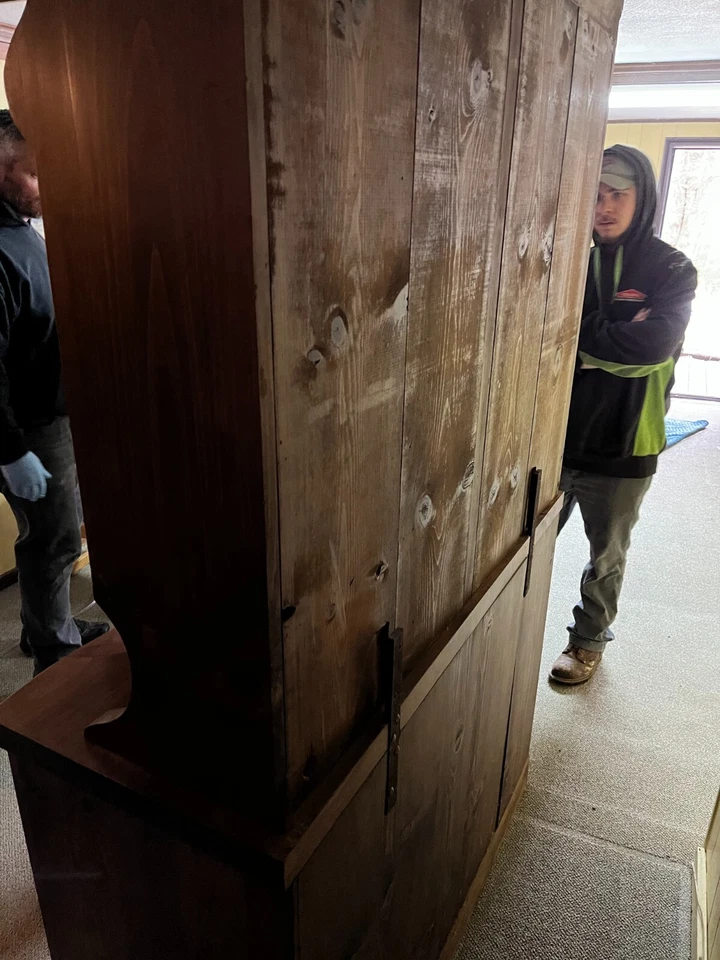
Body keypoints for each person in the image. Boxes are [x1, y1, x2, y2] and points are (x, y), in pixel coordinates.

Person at [550, 144, 697, 685]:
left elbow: (651, 348)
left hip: (628, 438)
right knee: (525, 545)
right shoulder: (569, 259)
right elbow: (545, 337)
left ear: (643, 198)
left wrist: (580, 339)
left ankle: (586, 642)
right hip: (557, 432)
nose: (605, 207)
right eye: (595, 195)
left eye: (618, 194)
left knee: (606, 555)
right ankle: (509, 635)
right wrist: (610, 335)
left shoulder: (672, 268)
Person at [0, 109, 108, 674]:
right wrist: (13, 450)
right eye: (35, 175)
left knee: (46, 534)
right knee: (56, 540)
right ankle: (55, 653)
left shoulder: (18, 229)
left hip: (48, 416)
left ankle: (47, 627)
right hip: (32, 426)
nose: (46, 188)